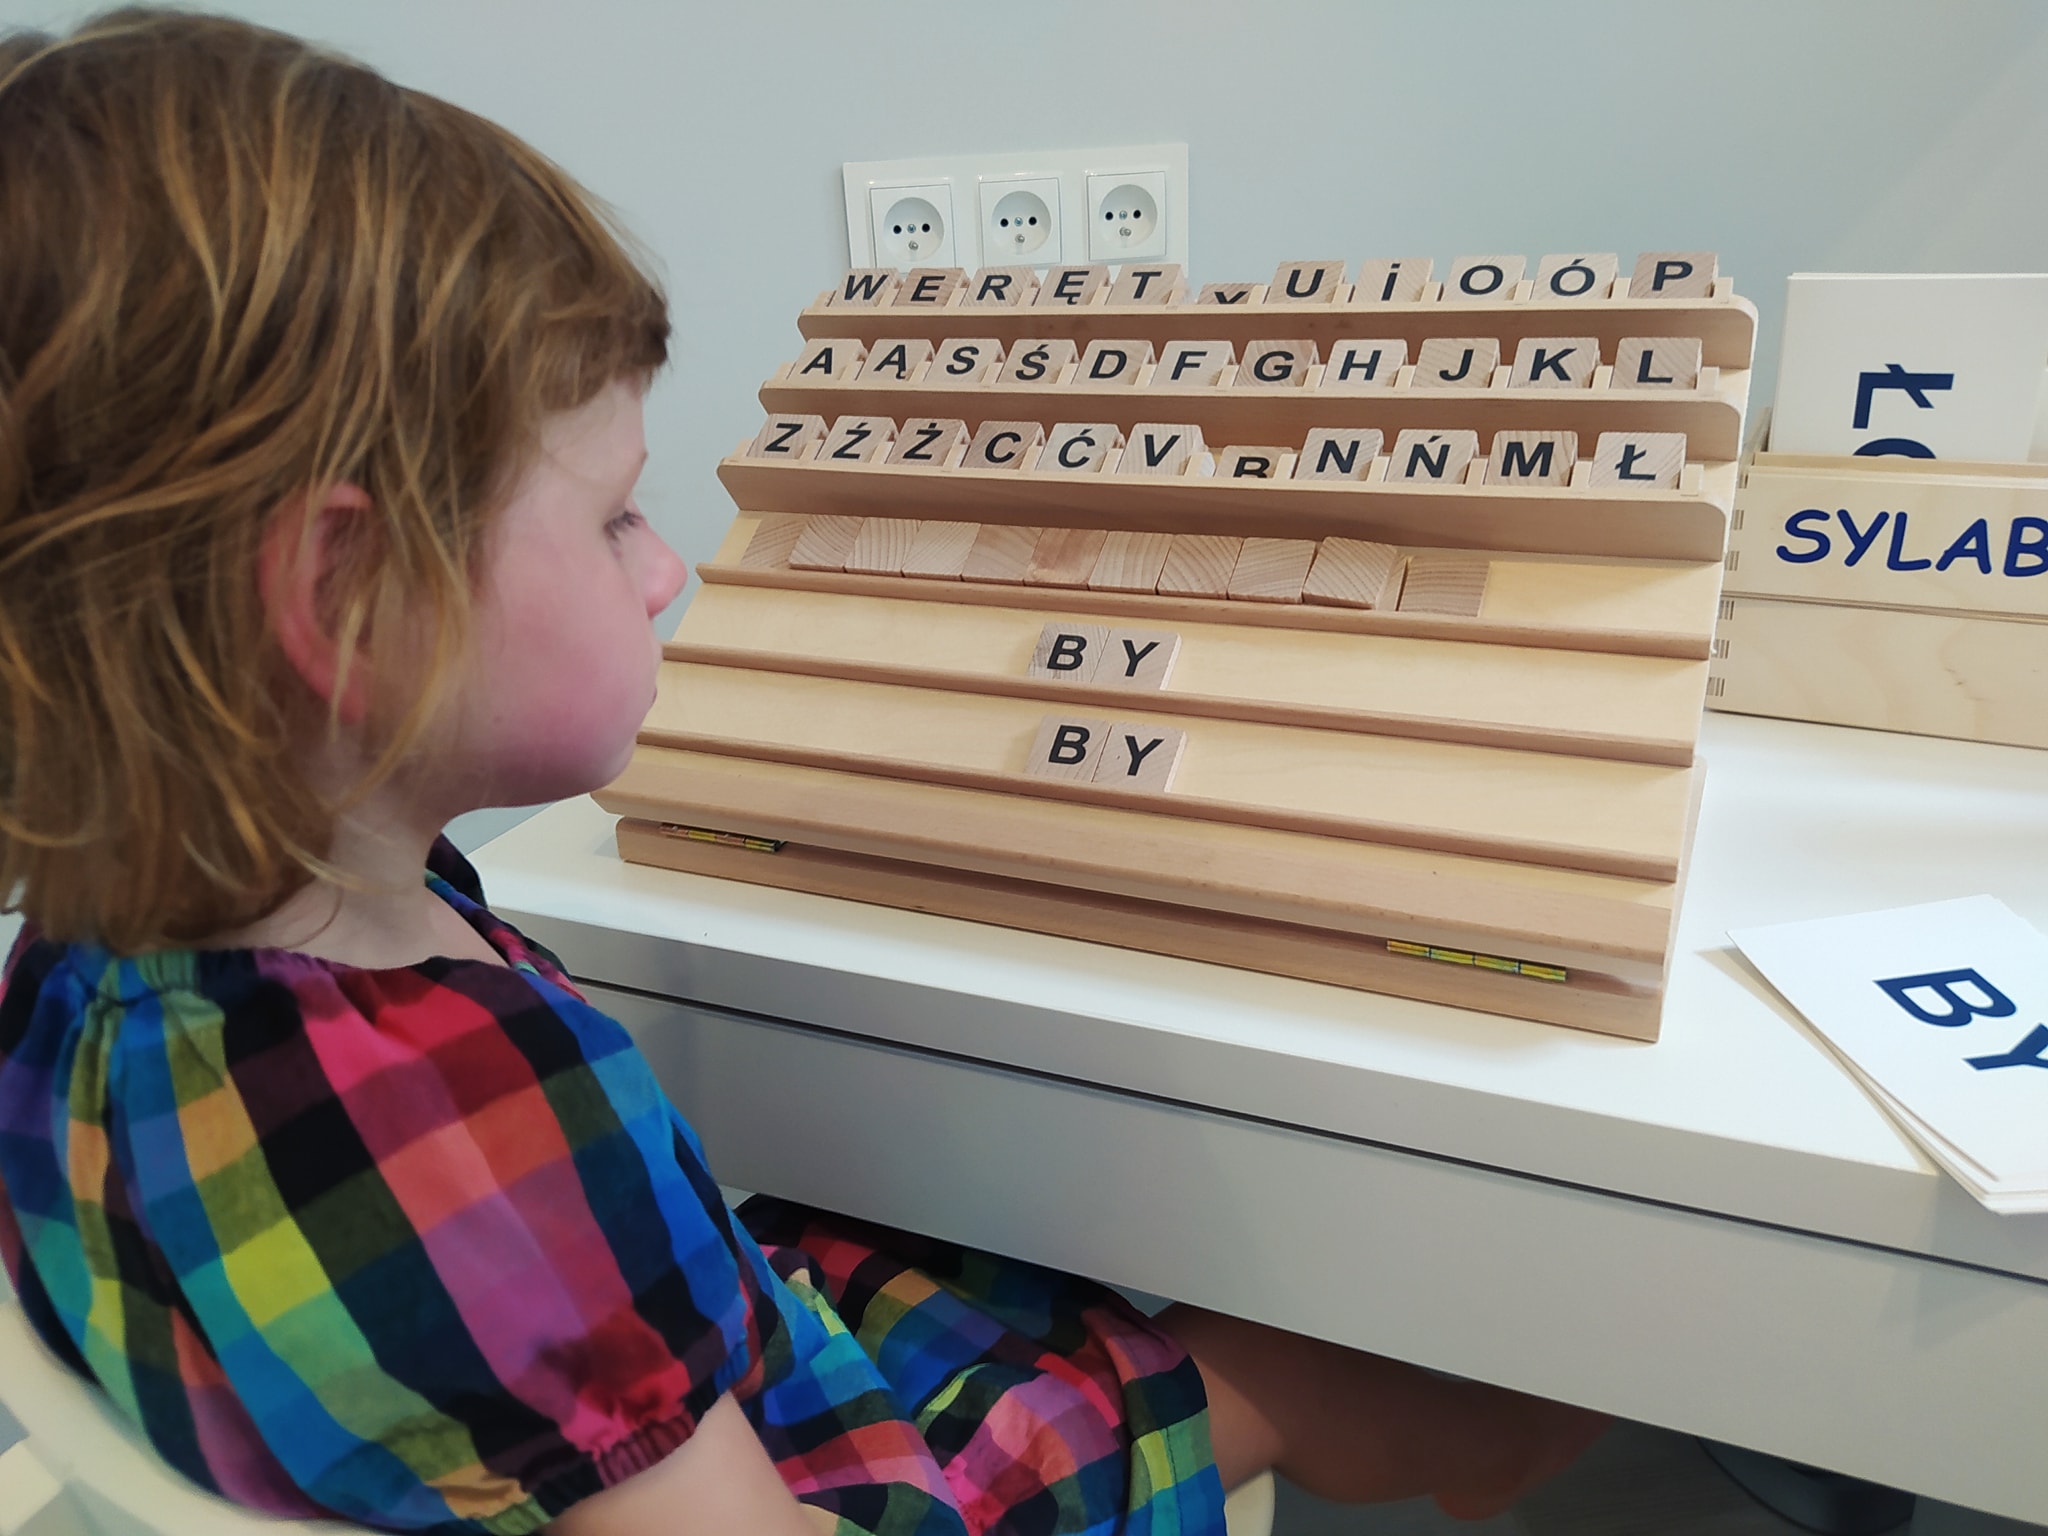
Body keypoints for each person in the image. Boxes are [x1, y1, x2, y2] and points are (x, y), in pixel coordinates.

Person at [0, 10, 1608, 1533]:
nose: (666, 572)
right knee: (1343, 1363)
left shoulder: (97, 964)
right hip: (834, 1480)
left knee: (978, 1229)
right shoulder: (450, 1119)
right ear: (347, 596)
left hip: (711, 1367)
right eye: (614, 516)